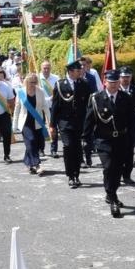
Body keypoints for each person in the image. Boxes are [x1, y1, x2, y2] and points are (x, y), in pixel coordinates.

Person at [90, 68, 135, 217]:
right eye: (111, 82)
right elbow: (90, 120)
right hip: (103, 139)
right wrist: (86, 140)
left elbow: (131, 121)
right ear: (105, 82)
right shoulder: (96, 98)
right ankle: (113, 197)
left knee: (116, 170)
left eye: (116, 82)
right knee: (108, 167)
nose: (115, 85)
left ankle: (111, 193)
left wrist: (134, 140)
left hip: (121, 140)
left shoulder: (126, 98)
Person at [52, 59, 90, 187]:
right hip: (64, 122)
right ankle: (70, 175)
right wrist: (52, 125)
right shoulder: (60, 85)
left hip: (79, 122)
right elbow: (55, 106)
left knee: (78, 149)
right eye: (78, 70)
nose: (81, 72)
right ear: (70, 72)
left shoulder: (84, 84)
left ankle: (76, 175)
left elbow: (88, 105)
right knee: (68, 147)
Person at [12, 72, 50, 174]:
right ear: (27, 82)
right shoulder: (21, 92)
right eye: (31, 82)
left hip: (37, 121)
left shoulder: (40, 91)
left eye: (35, 82)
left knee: (37, 144)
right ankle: (37, 165)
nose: (33, 84)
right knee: (31, 141)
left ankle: (28, 162)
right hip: (25, 123)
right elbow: (17, 109)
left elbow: (45, 107)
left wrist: (50, 121)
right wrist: (14, 126)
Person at [39, 60, 60, 157]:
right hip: (40, 107)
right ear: (41, 68)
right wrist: (46, 99)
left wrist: (52, 98)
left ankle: (53, 149)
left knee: (53, 128)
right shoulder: (37, 78)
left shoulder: (56, 78)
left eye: (48, 68)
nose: (46, 70)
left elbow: (59, 92)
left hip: (53, 107)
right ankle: (41, 149)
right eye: (44, 68)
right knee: (40, 128)